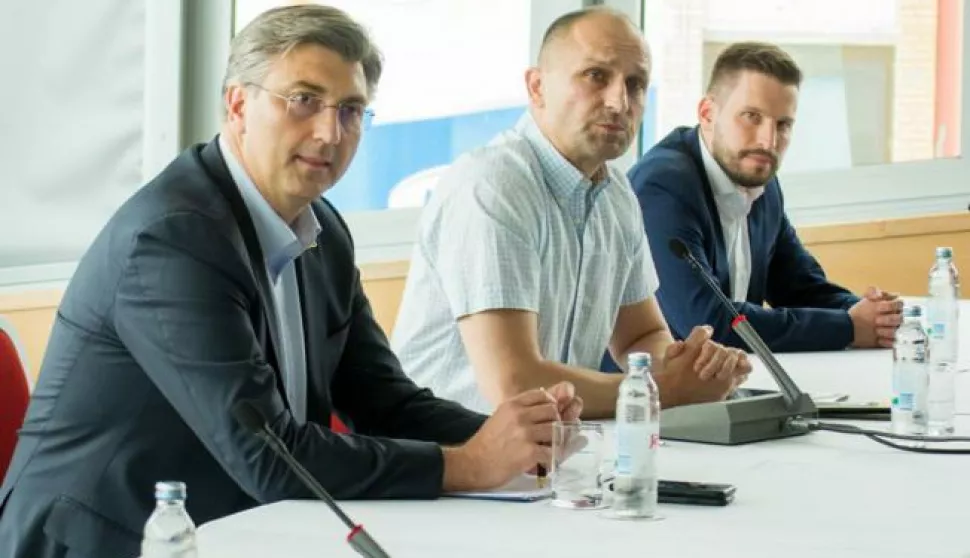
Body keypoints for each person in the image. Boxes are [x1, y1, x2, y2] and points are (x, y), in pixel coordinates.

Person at [0, 6, 581, 558]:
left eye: (352, 110)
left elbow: (382, 400)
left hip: (238, 527)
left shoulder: (322, 229)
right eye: (304, 100)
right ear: (237, 105)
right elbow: (270, 455)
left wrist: (518, 437)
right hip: (107, 540)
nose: (330, 132)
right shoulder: (175, 238)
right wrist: (470, 464)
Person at [391, 7, 751, 420]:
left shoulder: (616, 193)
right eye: (596, 75)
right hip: (447, 459)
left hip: (550, 453)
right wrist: (661, 390)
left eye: (635, 85)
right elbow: (514, 383)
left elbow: (641, 334)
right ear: (537, 87)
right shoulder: (492, 185)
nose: (619, 101)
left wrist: (692, 369)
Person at [622, 41, 903, 355]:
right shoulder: (663, 187)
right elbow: (707, 323)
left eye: (783, 125)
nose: (768, 141)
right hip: (652, 394)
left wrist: (873, 316)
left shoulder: (761, 181)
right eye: (751, 117)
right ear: (707, 113)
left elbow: (798, 285)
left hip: (729, 384)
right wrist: (849, 327)